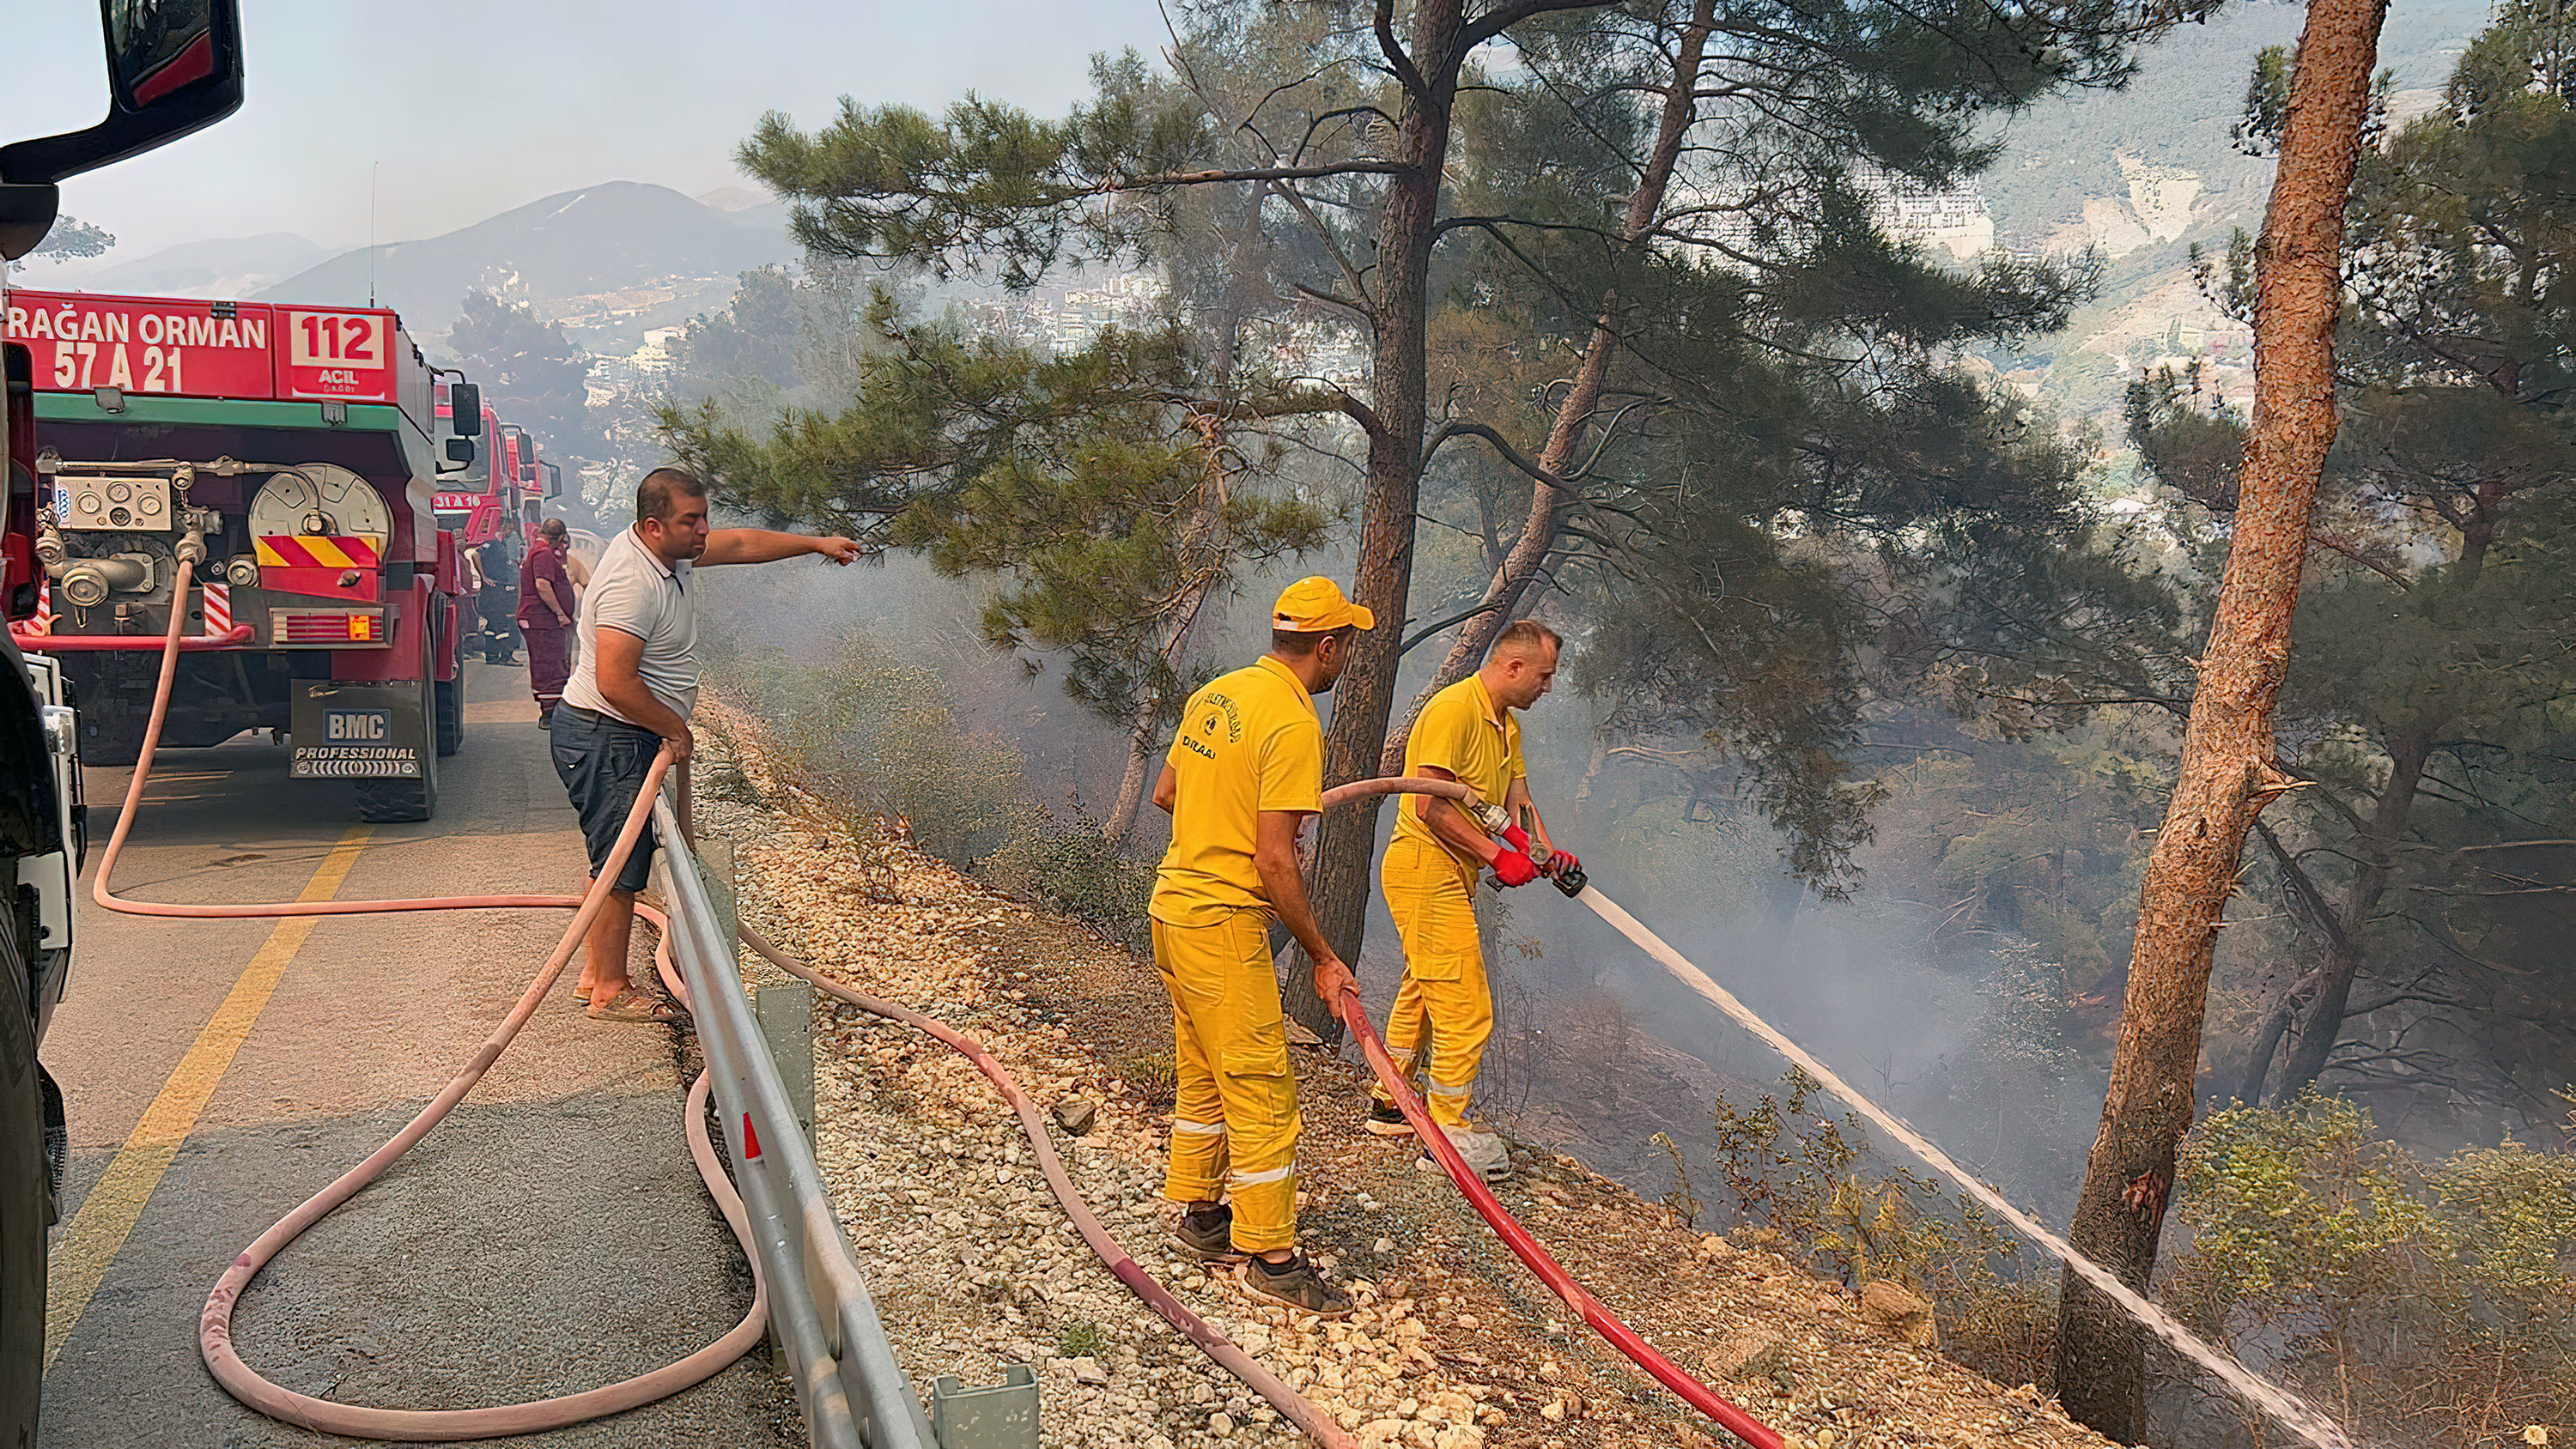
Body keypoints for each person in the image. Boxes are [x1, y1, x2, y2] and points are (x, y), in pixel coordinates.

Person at [552, 467, 860, 1023]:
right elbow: (616, 683)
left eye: (704, 518)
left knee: (615, 854)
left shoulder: (668, 554)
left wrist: (815, 543)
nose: (704, 531)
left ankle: (595, 973)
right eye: (691, 521)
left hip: (618, 733)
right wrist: (674, 727)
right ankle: (610, 990)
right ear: (652, 526)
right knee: (620, 862)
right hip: (608, 734)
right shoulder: (632, 582)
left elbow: (741, 543)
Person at [1149, 576, 1370, 1318]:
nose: (1347, 661)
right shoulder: (1293, 722)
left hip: (1173, 908)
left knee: (1206, 1071)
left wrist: (1231, 814)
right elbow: (1277, 860)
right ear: (1326, 645)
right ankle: (1272, 1257)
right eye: (1348, 646)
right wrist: (1320, 953)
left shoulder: (1218, 692)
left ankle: (1204, 1217)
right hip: (1220, 920)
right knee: (1261, 1084)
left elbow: (1167, 794)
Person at [1364, 620, 1578, 1181]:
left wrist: (1549, 856)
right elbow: (1427, 807)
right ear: (1513, 667)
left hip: (1447, 871)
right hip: (1421, 865)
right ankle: (1448, 1131)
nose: (1547, 688)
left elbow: (1519, 805)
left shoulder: (1505, 729)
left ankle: (1392, 1102)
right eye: (1545, 676)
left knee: (1423, 986)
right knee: (1465, 1001)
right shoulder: (1455, 710)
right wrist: (1494, 855)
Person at [517, 518, 578, 726]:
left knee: (548, 662)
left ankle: (551, 709)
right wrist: (560, 613)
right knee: (550, 664)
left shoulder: (538, 551)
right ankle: (550, 713)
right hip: (543, 619)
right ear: (560, 537)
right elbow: (542, 584)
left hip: (540, 619)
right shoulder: (543, 554)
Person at [477, 530, 521, 665]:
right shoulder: (491, 543)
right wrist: (483, 577)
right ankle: (506, 657)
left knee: (493, 625)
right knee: (504, 623)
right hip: (496, 590)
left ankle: (492, 655)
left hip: (496, 589)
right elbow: (476, 553)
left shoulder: (499, 544)